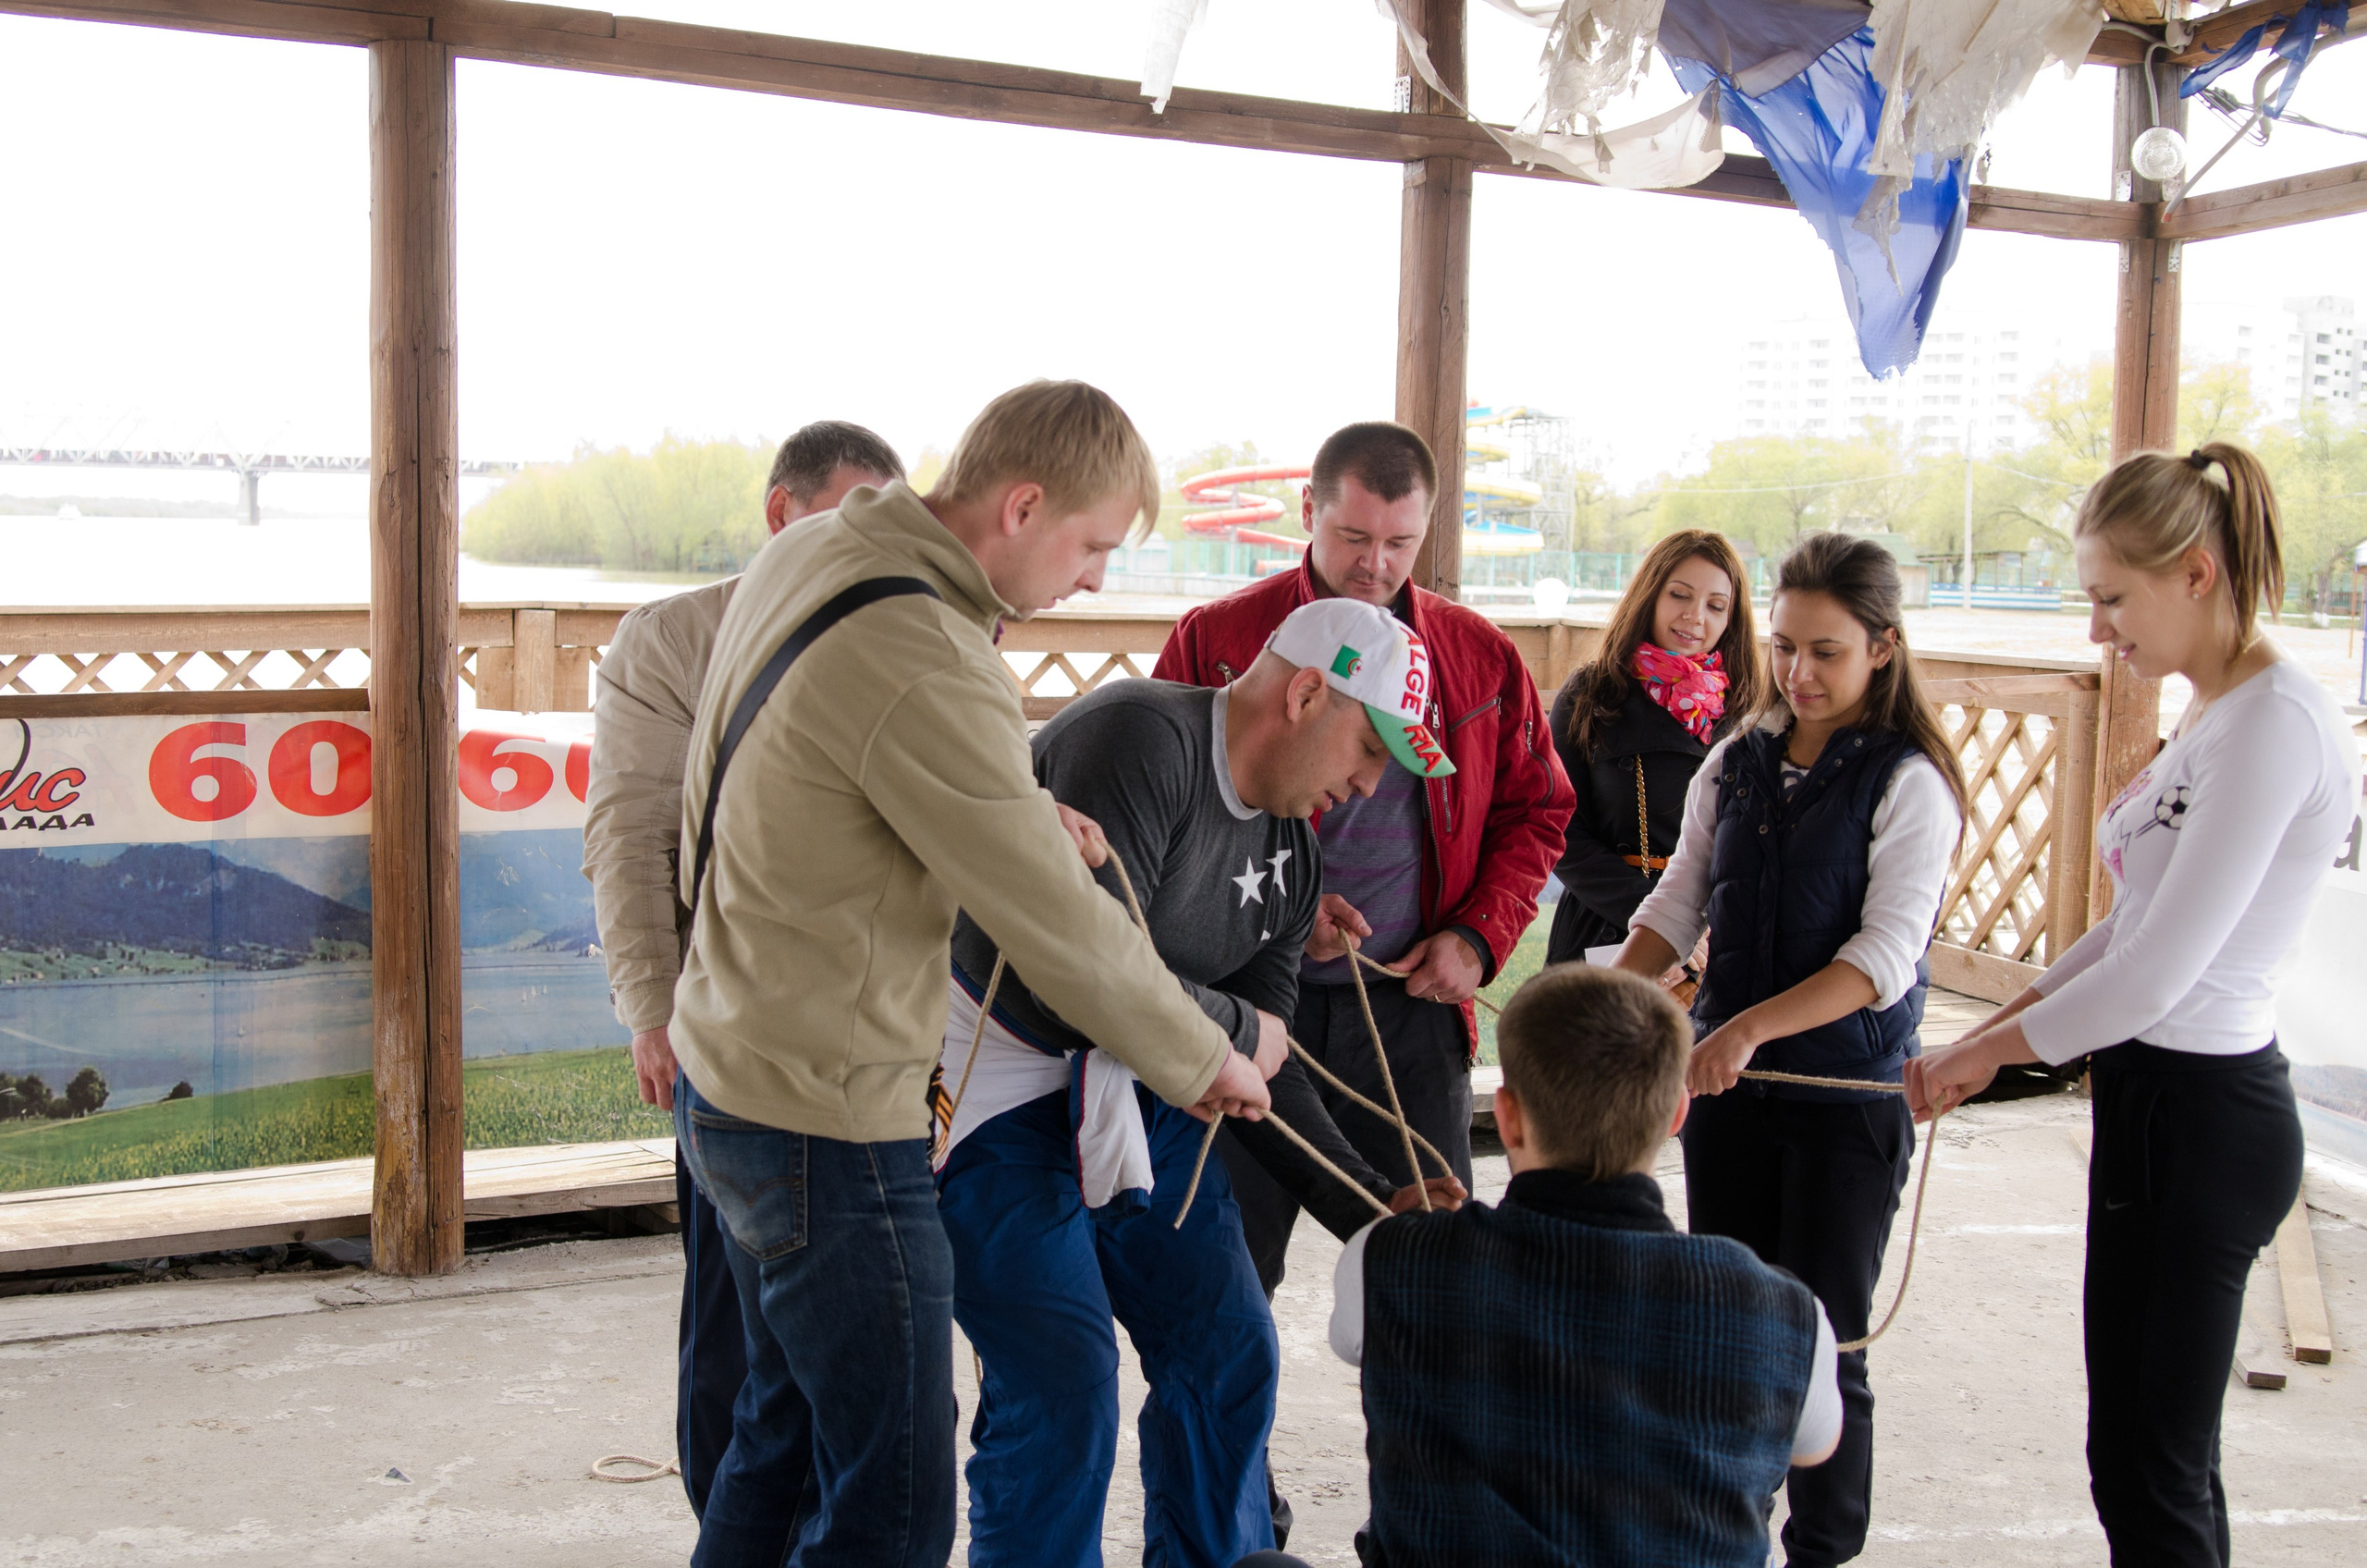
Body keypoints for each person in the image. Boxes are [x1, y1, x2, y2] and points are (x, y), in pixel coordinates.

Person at [667, 380, 1273, 1568]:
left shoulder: (824, 550)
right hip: (826, 1122)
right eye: (1093, 545)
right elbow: (1056, 927)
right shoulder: (934, 658)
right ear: (1024, 504)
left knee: (781, 1440)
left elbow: (819, 753)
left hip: (726, 1063)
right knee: (894, 1500)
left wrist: (1011, 804)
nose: (1095, 579)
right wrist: (1204, 1055)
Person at [932, 597, 1466, 1568]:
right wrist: (1227, 1033)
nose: (1370, 782)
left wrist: (1372, 1204)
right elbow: (1078, 980)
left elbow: (1255, 1071)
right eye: (1371, 747)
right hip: (1002, 1084)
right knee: (1062, 1382)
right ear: (1306, 692)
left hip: (1148, 1092)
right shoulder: (1138, 735)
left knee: (1229, 1349)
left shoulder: (1296, 856)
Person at [1908, 446, 2359, 1568]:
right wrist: (1982, 1037)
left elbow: (2160, 973)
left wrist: (1987, 1059)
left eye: (2112, 598)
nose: (2098, 631)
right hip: (2154, 1103)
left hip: (2208, 1119)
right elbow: (2129, 925)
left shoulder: (2273, 724)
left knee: (2154, 1472)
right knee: (2138, 1458)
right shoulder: (2215, 712)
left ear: (2196, 573)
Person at [1611, 531, 1966, 1568]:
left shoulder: (1911, 783)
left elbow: (1886, 956)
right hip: (1729, 1094)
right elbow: (1681, 896)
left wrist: (1744, 1027)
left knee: (1823, 1339)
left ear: (1884, 650)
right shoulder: (1737, 757)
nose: (1801, 675)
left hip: (1843, 1098)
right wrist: (1602, 995)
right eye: (1787, 649)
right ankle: (1727, 1538)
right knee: (1731, 1328)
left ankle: (1823, 1551)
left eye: (1829, 653)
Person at [1153, 420, 1572, 1291]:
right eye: (1352, 537)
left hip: (1408, 1002)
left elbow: (1539, 808)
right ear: (1309, 512)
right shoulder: (1219, 639)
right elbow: (1169, 814)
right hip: (1240, 996)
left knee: (1428, 1258)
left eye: (1399, 543)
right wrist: (1277, 925)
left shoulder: (1479, 654)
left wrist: (1480, 937)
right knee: (1222, 1275)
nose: (1375, 564)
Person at [582, 419, 902, 1517]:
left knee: (850, 1324)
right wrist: (651, 1012)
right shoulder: (673, 639)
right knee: (733, 1306)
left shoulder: (899, 627)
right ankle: (722, 1523)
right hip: (720, 1027)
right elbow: (628, 840)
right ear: (781, 510)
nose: (870, 541)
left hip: (867, 1042)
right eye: (848, 513)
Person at [1321, 963, 1842, 1568]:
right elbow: (1814, 1447)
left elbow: (1353, 1342)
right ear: (1677, 1114)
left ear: (1508, 1116)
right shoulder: (1787, 1314)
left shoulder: (1388, 1261)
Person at [1545, 529, 1762, 968]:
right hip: (1607, 922)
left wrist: (1708, 928)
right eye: (1679, 595)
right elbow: (1559, 828)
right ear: (1650, 595)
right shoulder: (1591, 693)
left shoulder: (1750, 708)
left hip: (1717, 938)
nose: (1695, 616)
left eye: (1716, 606)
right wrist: (1658, 926)